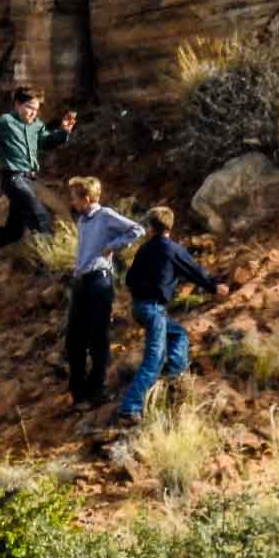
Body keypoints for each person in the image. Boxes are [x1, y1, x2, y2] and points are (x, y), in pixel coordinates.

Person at [0, 87, 78, 281]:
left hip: (29, 179)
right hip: (14, 179)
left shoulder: (36, 125)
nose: (33, 113)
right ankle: (58, 264)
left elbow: (46, 141)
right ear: (17, 104)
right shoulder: (5, 123)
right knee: (40, 215)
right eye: (29, 108)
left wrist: (63, 132)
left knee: (13, 232)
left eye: (36, 109)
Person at [117, 207, 228, 423]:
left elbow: (129, 279)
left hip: (139, 307)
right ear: (170, 225)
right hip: (154, 308)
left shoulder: (145, 249)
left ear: (150, 227)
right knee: (154, 359)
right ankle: (129, 407)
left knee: (177, 334)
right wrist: (215, 287)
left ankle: (174, 376)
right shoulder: (172, 249)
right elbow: (194, 271)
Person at [66, 176, 144, 410]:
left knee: (97, 336)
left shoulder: (105, 216)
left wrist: (113, 246)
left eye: (75, 198)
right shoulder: (82, 221)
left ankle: (96, 391)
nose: (72, 202)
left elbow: (137, 229)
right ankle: (78, 394)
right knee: (74, 339)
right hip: (81, 281)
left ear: (87, 199)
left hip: (99, 282)